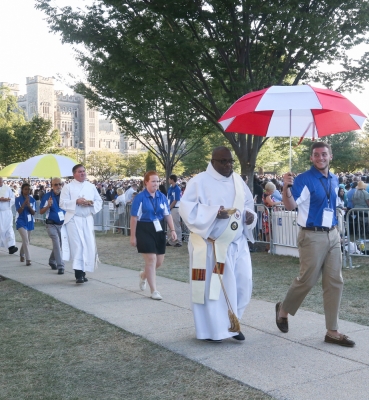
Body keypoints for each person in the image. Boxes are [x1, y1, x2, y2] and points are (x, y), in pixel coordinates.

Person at [278, 142, 355, 347]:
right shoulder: (303, 179)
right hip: (311, 236)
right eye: (316, 155)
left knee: (335, 281)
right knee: (307, 280)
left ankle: (332, 331)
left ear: (330, 156)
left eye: (324, 154)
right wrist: (286, 186)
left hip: (333, 234)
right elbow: (290, 205)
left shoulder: (334, 178)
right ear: (311, 158)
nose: (320, 157)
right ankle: (283, 309)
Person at [179, 146, 257, 342]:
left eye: (230, 161)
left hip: (237, 243)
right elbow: (187, 209)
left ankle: (233, 322)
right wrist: (214, 213)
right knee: (213, 292)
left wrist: (250, 216)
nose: (228, 165)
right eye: (223, 161)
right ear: (212, 161)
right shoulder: (198, 182)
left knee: (243, 284)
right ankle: (213, 331)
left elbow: (249, 204)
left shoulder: (238, 180)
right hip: (210, 246)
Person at [130, 171, 177, 300]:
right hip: (144, 229)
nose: (156, 184)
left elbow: (167, 214)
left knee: (159, 262)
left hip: (159, 229)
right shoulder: (140, 198)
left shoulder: (162, 196)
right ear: (146, 182)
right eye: (153, 181)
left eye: (157, 181)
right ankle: (154, 290)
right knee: (151, 260)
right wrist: (133, 236)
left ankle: (144, 275)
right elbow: (134, 218)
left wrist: (172, 230)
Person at [60, 164, 103, 284]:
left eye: (84, 171)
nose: (83, 173)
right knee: (77, 245)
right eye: (80, 171)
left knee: (88, 245)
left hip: (87, 219)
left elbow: (99, 201)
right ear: (74, 174)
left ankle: (84, 271)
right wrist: (76, 202)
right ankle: (78, 273)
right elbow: (62, 203)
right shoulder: (67, 187)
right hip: (74, 219)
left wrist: (92, 203)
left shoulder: (91, 186)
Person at [40, 178, 66, 274]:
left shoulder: (64, 196)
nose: (58, 186)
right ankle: (61, 266)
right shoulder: (47, 196)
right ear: (52, 185)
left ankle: (52, 260)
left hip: (62, 224)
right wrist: (48, 206)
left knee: (60, 245)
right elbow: (41, 211)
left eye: (60, 184)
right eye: (55, 184)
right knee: (56, 243)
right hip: (51, 224)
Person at [15, 182, 36, 266]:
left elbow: (33, 213)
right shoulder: (18, 199)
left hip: (29, 221)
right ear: (22, 190)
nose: (27, 191)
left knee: (27, 240)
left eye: (28, 189)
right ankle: (28, 259)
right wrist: (24, 204)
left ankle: (22, 253)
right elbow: (19, 211)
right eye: (25, 189)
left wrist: (29, 205)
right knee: (26, 239)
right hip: (21, 221)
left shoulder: (33, 199)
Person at [0, 177, 18, 255]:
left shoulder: (7, 189)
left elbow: (13, 198)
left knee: (9, 228)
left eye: (1, 182)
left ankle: (11, 246)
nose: (0, 183)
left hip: (7, 212)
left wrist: (8, 199)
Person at [166, 174, 182, 247]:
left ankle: (178, 241)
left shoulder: (177, 189)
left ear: (172, 180)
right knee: (169, 225)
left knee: (176, 225)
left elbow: (176, 200)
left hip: (175, 208)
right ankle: (171, 241)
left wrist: (169, 207)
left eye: (169, 179)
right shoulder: (170, 188)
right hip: (170, 208)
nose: (169, 180)